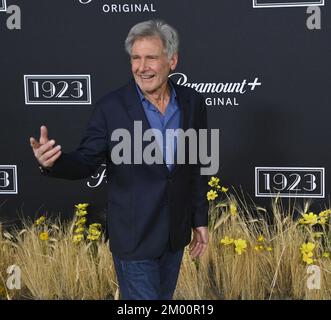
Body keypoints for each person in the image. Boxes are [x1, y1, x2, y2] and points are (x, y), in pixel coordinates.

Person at [30, 20, 209, 300]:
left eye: (151, 57)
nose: (141, 66)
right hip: (134, 238)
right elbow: (86, 161)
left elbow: (196, 167)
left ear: (172, 60)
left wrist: (199, 219)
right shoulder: (111, 108)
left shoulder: (192, 103)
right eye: (135, 58)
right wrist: (53, 163)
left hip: (175, 236)